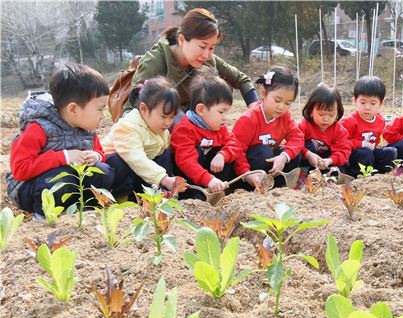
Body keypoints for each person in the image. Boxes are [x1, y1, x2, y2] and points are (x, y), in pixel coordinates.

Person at [6, 64, 114, 219]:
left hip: (68, 183)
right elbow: (20, 169)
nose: (102, 115)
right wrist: (64, 157)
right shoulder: (39, 128)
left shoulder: (87, 129)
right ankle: (43, 216)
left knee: (104, 171)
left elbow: (100, 153)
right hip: (31, 188)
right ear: (73, 109)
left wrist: (95, 156)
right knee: (61, 179)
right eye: (100, 109)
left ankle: (86, 210)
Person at [123, 8, 258, 119]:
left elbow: (241, 79)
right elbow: (131, 108)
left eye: (211, 47)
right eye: (202, 46)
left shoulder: (208, 59)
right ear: (181, 40)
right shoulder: (156, 62)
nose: (206, 54)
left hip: (195, 124)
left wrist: (255, 109)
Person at [101, 77, 179, 200]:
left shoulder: (159, 128)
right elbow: (135, 158)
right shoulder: (128, 127)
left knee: (163, 155)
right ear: (143, 109)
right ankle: (122, 199)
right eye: (164, 116)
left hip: (138, 169)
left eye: (171, 117)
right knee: (117, 161)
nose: (168, 123)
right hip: (116, 171)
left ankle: (159, 194)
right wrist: (163, 178)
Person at [171, 73, 242, 199]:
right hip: (192, 182)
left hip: (212, 179)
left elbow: (235, 144)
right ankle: (195, 197)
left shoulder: (219, 127)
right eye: (221, 112)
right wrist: (208, 179)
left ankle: (219, 193)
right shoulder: (184, 129)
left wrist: (222, 155)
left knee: (223, 152)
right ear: (201, 110)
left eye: (226, 112)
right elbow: (186, 162)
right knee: (196, 152)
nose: (225, 117)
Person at [231, 66, 304, 189]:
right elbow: (236, 150)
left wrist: (283, 157)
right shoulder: (249, 119)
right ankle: (252, 186)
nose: (281, 107)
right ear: (263, 92)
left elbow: (297, 137)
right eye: (277, 100)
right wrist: (247, 174)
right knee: (263, 152)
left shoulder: (285, 117)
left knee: (294, 154)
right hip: (249, 170)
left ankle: (278, 187)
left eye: (288, 103)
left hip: (270, 166)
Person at [340, 76, 397, 175]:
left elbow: (376, 141)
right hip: (353, 156)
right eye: (363, 102)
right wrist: (362, 144)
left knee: (391, 152)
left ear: (381, 103)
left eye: (373, 103)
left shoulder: (381, 121)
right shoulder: (349, 121)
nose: (367, 107)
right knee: (365, 153)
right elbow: (341, 142)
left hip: (370, 153)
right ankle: (356, 174)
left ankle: (378, 174)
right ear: (354, 101)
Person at [298, 84, 351, 171]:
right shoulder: (304, 126)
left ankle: (330, 176)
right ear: (311, 111)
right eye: (321, 114)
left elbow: (343, 151)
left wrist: (329, 161)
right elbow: (293, 142)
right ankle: (304, 173)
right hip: (307, 159)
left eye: (331, 115)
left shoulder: (340, 131)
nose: (326, 119)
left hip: (328, 162)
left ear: (337, 114)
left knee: (345, 162)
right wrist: (308, 154)